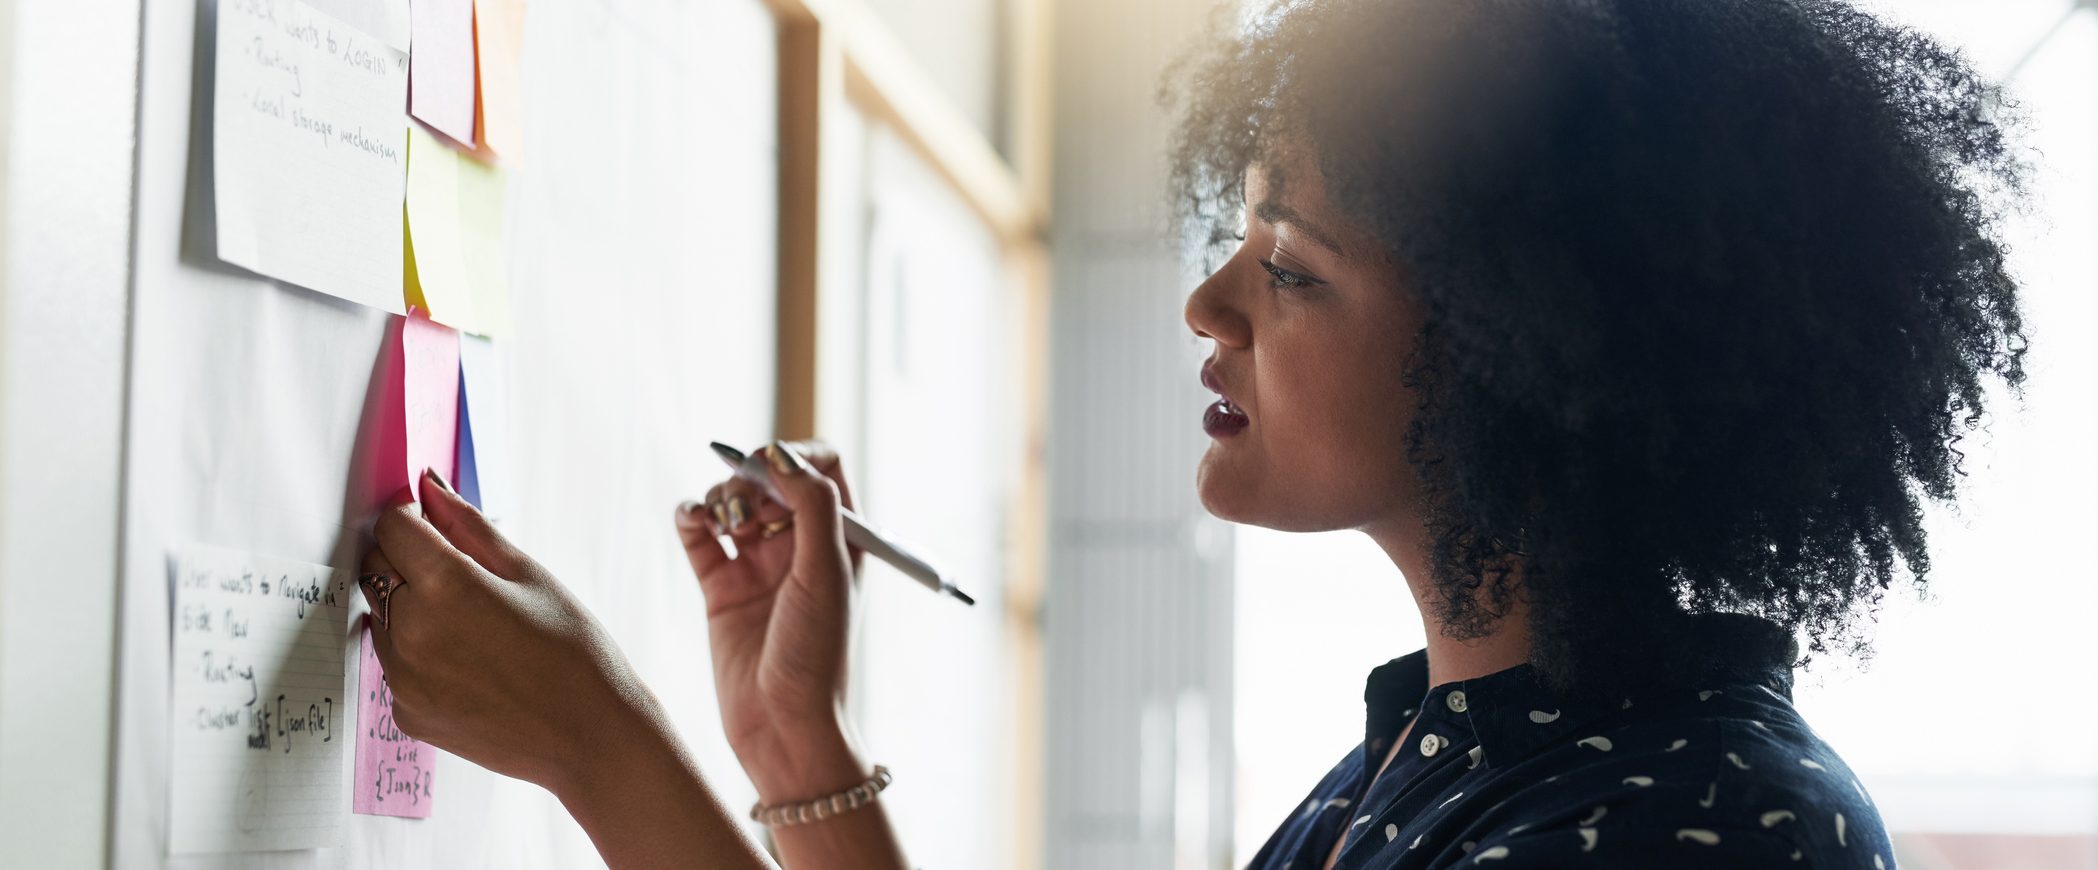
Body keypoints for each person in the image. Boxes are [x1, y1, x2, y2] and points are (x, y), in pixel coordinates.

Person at [355, 0, 2031, 867]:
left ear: (1530, 353)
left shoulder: (1695, 828)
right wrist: (794, 750)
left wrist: (601, 744)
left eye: (1290, 266)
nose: (1205, 304)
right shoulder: (1450, 755)